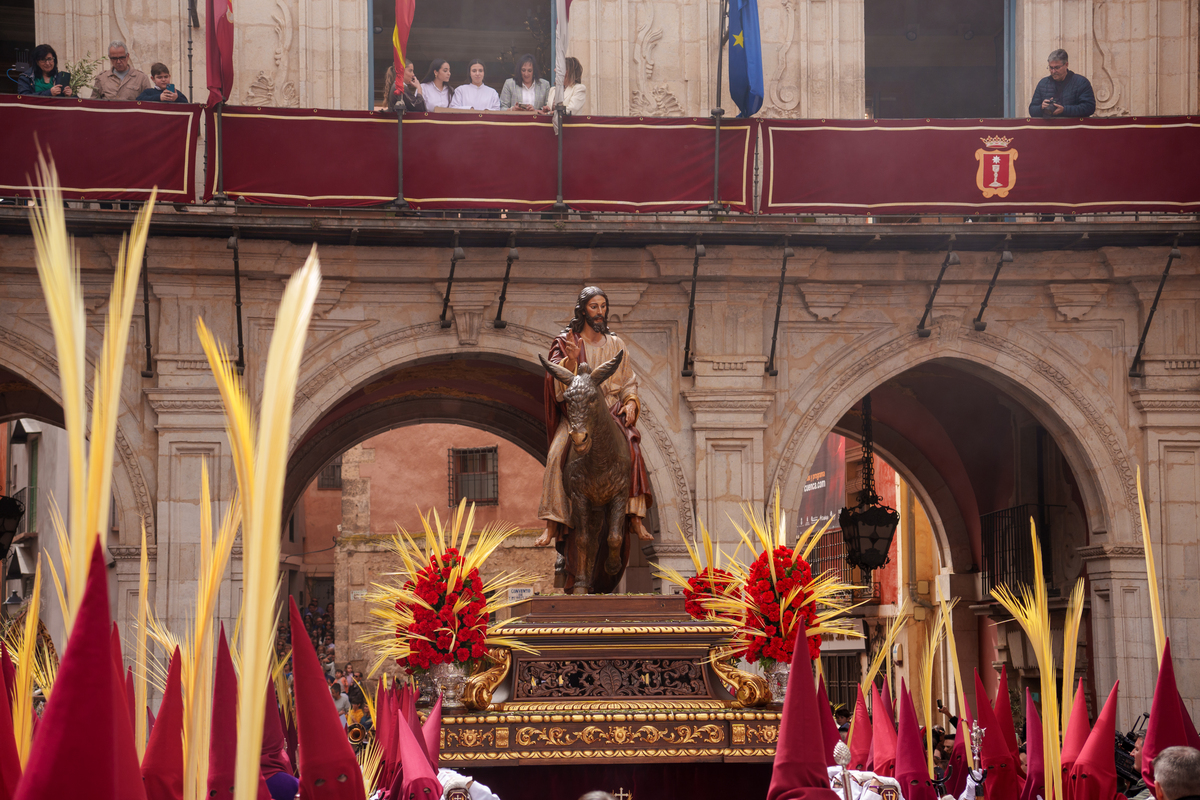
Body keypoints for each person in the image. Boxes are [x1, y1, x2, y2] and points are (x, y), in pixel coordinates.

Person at [536, 287, 655, 588]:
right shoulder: (566, 343)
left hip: (610, 411)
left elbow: (628, 381)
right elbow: (558, 386)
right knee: (555, 454)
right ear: (582, 310)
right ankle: (553, 521)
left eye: (603, 306)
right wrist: (572, 362)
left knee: (633, 448)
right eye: (593, 306)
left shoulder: (616, 343)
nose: (599, 311)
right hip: (578, 412)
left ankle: (635, 514)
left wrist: (630, 402)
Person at [1028, 49, 1096, 118]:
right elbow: (1032, 110)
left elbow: (1089, 107)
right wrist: (1041, 108)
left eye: (1057, 67)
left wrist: (1064, 110)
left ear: (1066, 65)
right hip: (1048, 127)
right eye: (1051, 68)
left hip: (1073, 127)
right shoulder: (1043, 83)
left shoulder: (1081, 82)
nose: (1053, 71)